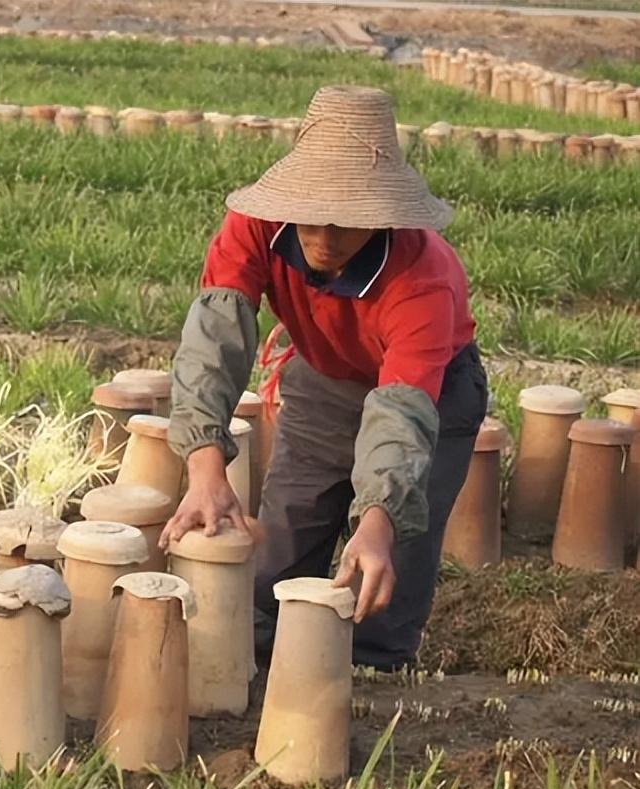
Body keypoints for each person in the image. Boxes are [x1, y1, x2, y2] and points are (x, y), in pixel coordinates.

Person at [161, 85, 487, 670]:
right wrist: (206, 467)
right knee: (280, 556)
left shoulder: (423, 278)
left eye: (348, 220)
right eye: (311, 214)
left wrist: (377, 520)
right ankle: (259, 674)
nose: (323, 235)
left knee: (387, 572)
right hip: (324, 377)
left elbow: (402, 415)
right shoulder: (253, 226)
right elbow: (213, 344)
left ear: (384, 217)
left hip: (432, 395)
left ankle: (372, 687)